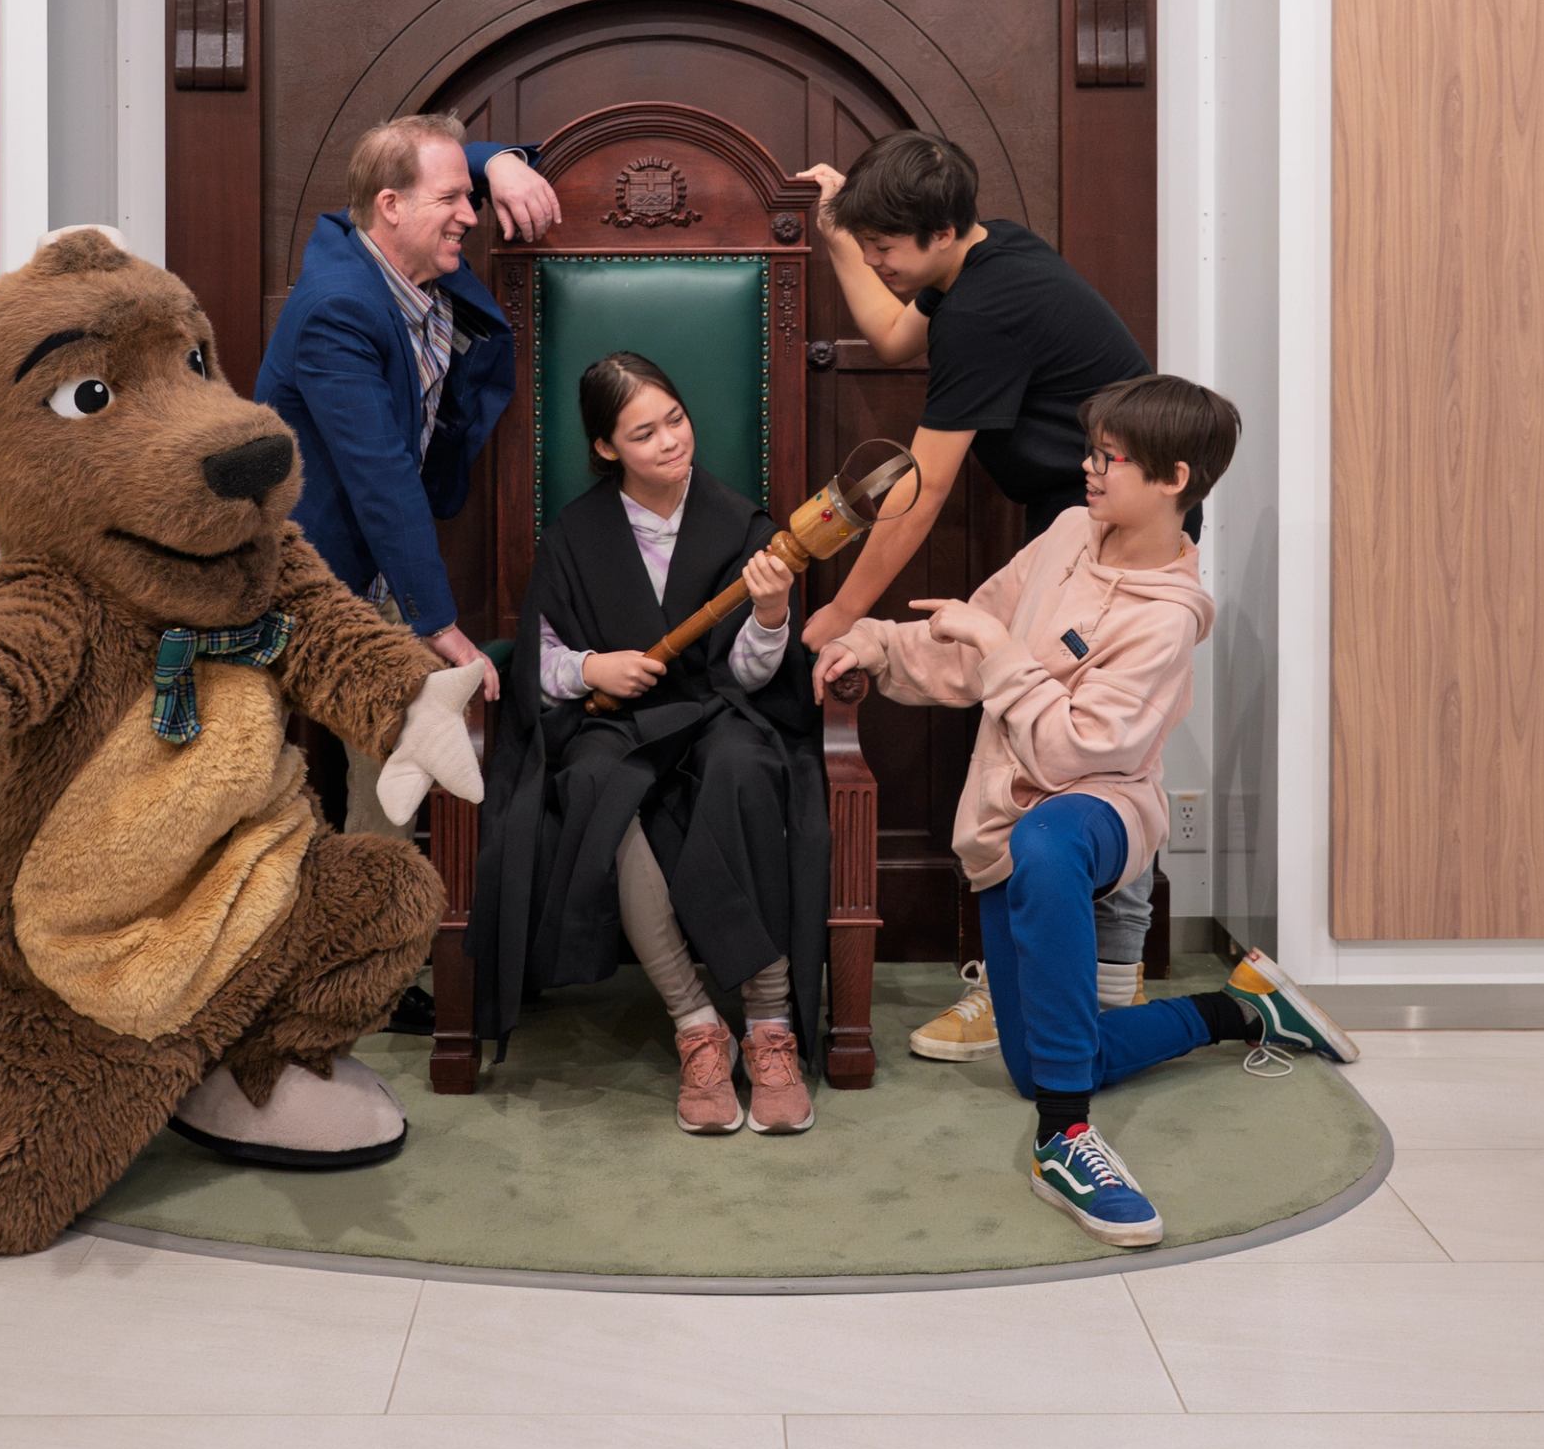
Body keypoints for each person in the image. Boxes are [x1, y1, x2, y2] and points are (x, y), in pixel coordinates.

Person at [812, 374, 1356, 1249]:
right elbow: (970, 637)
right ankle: (1245, 1010)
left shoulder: (1167, 619)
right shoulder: (1069, 532)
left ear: (1174, 477)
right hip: (1005, 820)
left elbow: (1071, 751)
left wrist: (998, 654)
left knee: (1050, 838)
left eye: (1109, 458)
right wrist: (872, 644)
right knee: (1050, 1062)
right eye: (1091, 451)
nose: (1088, 470)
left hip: (1100, 806)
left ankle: (1064, 1143)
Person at [798, 131, 1168, 1061]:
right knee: (1057, 753)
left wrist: (842, 612)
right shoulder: (985, 256)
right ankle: (1077, 993)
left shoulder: (986, 308)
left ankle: (1080, 996)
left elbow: (916, 495)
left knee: (1080, 763)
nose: (881, 262)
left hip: (1120, 538)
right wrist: (840, 224)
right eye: (872, 246)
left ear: (939, 232)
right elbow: (889, 331)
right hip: (1075, 525)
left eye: (889, 246)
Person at [467, 352, 829, 1139]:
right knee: (600, 780)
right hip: (617, 725)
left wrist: (770, 618)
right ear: (606, 448)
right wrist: (594, 665)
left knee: (743, 765)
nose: (670, 441)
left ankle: (770, 1025)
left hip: (715, 712)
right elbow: (541, 658)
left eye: (675, 419)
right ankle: (697, 1024)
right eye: (643, 432)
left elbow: (752, 675)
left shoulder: (744, 526)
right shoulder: (576, 535)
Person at [257, 109, 559, 795]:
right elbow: (382, 475)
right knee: (385, 770)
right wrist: (441, 624)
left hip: (383, 567)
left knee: (404, 773)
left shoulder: (388, 245)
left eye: (467, 196)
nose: (470, 216)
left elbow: (437, 163)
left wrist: (497, 163)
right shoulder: (338, 308)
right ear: (390, 207)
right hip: (321, 581)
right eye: (451, 200)